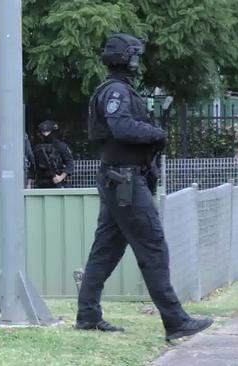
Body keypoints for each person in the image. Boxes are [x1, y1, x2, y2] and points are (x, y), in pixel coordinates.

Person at [76, 33, 213, 341]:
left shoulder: (118, 90)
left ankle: (87, 315)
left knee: (106, 250)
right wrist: (155, 133)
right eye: (136, 55)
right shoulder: (116, 92)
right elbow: (121, 127)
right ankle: (175, 321)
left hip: (119, 179)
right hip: (124, 180)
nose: (139, 60)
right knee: (153, 247)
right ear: (128, 58)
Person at [29, 120, 74, 188]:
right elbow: (33, 166)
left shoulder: (60, 146)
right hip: (41, 183)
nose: (45, 134)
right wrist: (29, 184)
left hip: (57, 181)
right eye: (43, 132)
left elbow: (69, 162)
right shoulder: (37, 147)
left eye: (47, 131)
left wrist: (61, 177)